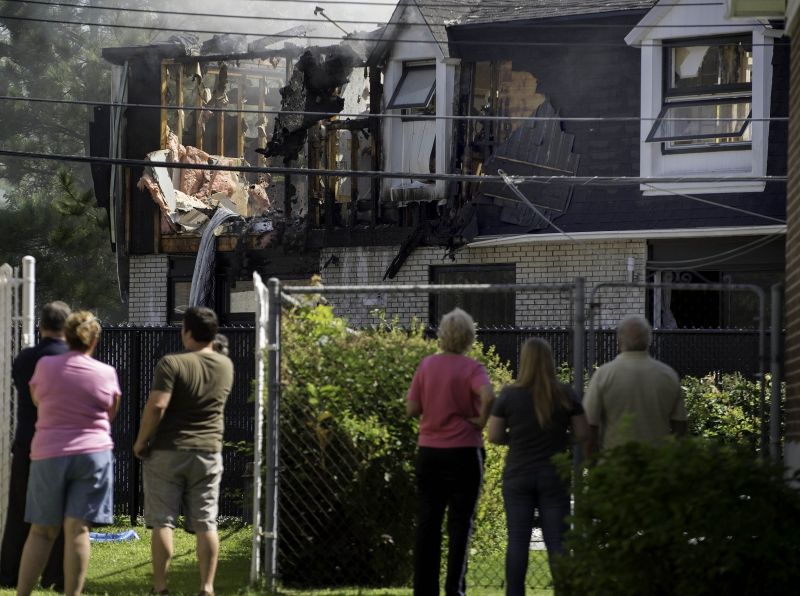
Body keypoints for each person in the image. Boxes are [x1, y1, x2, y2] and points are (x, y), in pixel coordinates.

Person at [16, 311, 121, 596]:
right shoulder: (106, 373)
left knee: (41, 531)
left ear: (66, 334)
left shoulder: (46, 367)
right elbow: (111, 413)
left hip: (49, 451)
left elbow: (38, 400)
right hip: (93, 454)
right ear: (94, 339)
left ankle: (23, 593)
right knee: (78, 530)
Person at [133, 306, 234, 596]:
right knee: (206, 521)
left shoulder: (171, 363)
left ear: (187, 331)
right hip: (209, 451)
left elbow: (158, 405)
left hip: (168, 449)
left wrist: (141, 441)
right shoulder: (226, 366)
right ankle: (207, 587)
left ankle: (161, 587)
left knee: (163, 521)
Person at [488, 338, 588, 595]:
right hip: (554, 474)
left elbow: (494, 435)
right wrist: (561, 440)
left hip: (518, 474)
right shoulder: (565, 393)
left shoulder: (509, 395)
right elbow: (582, 432)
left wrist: (517, 439)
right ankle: (564, 590)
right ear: (549, 361)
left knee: (518, 540)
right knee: (558, 541)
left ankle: (515, 593)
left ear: (524, 361)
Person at [406, 307, 495, 596]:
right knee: (460, 524)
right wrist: (480, 422)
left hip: (430, 451)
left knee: (428, 521)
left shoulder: (427, 366)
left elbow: (412, 409)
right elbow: (488, 395)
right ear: (469, 337)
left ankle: (424, 589)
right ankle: (454, 589)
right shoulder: (472, 368)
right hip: (465, 453)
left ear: (442, 334)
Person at [0, 302, 71, 591]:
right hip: (62, 445)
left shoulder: (25, 359)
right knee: (63, 513)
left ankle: (9, 573)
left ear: (40, 326)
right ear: (67, 327)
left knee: (19, 512)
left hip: (28, 440)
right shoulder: (72, 358)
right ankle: (56, 574)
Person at [583, 315, 688, 457]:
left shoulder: (603, 374)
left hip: (615, 464)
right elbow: (680, 425)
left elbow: (590, 423)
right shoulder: (668, 375)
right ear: (649, 340)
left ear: (618, 341)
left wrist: (593, 460)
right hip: (656, 465)